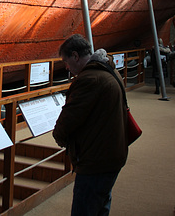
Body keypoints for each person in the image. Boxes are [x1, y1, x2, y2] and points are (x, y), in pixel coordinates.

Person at [53, 35, 128, 216]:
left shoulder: (88, 80)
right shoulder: (109, 69)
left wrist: (59, 137)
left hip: (96, 159)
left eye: (66, 61)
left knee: (85, 207)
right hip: (112, 152)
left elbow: (69, 118)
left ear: (75, 56)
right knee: (101, 204)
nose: (66, 67)